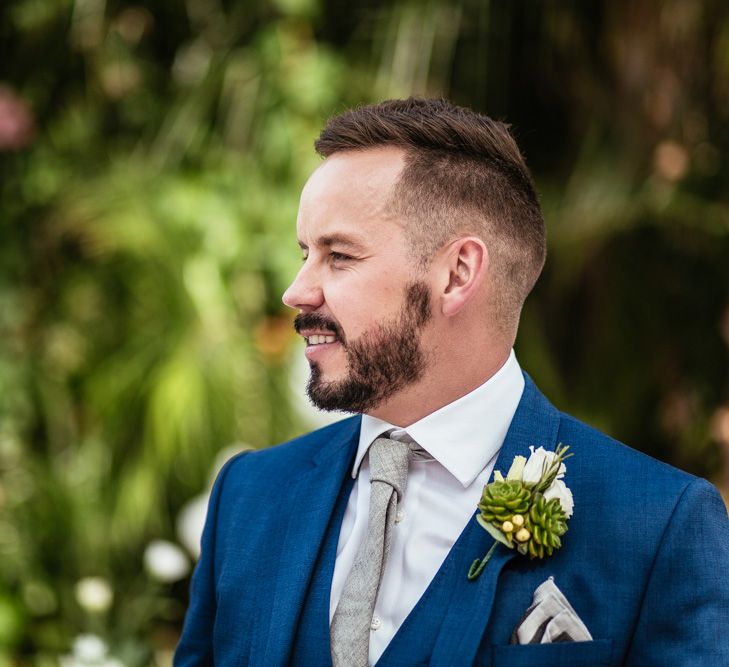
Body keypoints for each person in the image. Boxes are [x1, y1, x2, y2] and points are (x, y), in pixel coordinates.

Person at [175, 98, 729, 666]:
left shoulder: (659, 525)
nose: (296, 291)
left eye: (338, 255)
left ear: (457, 273)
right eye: (304, 253)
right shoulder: (248, 496)